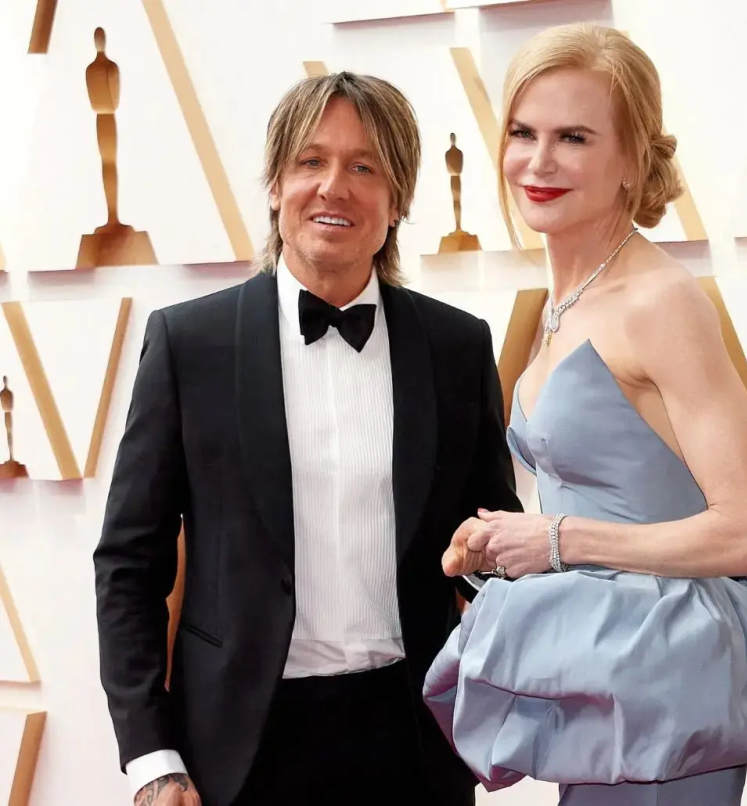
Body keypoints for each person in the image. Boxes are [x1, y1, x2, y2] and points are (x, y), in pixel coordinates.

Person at [425, 22, 747, 806]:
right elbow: (629, 485)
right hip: (619, 669)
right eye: (523, 133)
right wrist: (505, 543)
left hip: (674, 683)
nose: (538, 162)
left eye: (574, 137)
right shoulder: (565, 303)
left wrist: (556, 540)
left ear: (632, 160)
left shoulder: (660, 301)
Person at [93, 71, 520, 806]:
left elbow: (492, 545)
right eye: (310, 161)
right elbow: (130, 564)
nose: (333, 187)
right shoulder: (189, 344)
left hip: (415, 742)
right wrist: (152, 757)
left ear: (398, 199)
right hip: (238, 749)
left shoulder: (457, 347)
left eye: (365, 167)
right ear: (274, 186)